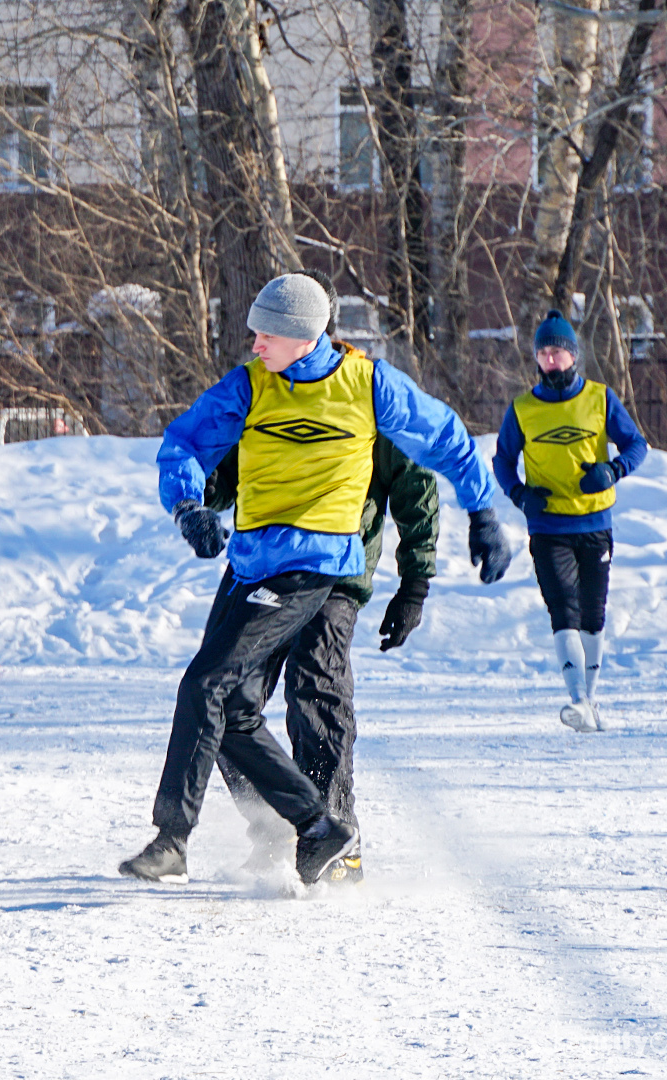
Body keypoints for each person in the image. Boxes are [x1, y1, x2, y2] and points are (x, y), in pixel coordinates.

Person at [120, 272, 510, 888]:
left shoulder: (368, 385)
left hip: (316, 565)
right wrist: (189, 506)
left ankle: (188, 838)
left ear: (303, 337)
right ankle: (311, 826)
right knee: (232, 706)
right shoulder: (251, 385)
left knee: (241, 687)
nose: (253, 344)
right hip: (250, 562)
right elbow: (186, 443)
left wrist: (481, 513)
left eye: (265, 334)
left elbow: (442, 440)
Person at [204, 282, 440, 884]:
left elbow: (416, 490)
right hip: (261, 565)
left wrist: (414, 582)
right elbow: (234, 465)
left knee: (318, 692)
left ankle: (337, 835)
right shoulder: (271, 391)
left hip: (336, 572)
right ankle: (278, 825)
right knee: (229, 696)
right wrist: (203, 493)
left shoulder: (366, 397)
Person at [491, 310, 647, 732]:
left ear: (573, 355)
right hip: (548, 528)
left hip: (594, 524)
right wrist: (520, 494)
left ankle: (590, 700)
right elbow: (502, 461)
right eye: (544, 353)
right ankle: (577, 700)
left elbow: (637, 444)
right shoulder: (523, 409)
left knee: (593, 615)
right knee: (563, 609)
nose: (551, 360)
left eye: (558, 352)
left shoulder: (599, 398)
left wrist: (612, 471)